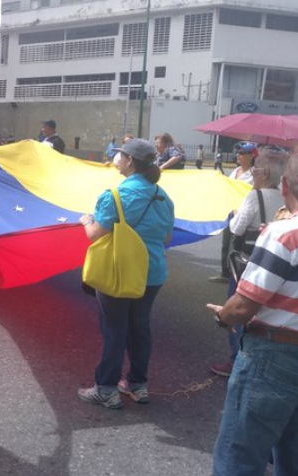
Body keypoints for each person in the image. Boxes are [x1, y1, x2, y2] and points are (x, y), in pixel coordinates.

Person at [206, 151, 298, 476]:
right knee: (295, 455)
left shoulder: (283, 233)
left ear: (286, 185)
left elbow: (244, 305)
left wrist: (224, 316)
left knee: (240, 454)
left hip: (275, 353)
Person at [77, 138, 175, 409]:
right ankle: (137, 385)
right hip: (152, 273)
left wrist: (86, 220)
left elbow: (95, 235)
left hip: (118, 272)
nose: (116, 157)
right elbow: (166, 238)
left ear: (129, 161)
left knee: (114, 329)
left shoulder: (115, 195)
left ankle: (106, 388)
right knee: (140, 327)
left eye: (119, 154)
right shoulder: (163, 197)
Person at [208, 151, 287, 378]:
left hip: (248, 263)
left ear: (263, 173)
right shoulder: (287, 197)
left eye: (255, 169)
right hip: (276, 263)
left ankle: (237, 360)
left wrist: (235, 213)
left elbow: (236, 228)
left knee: (239, 307)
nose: (253, 173)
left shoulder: (255, 196)